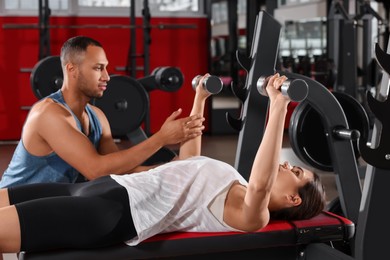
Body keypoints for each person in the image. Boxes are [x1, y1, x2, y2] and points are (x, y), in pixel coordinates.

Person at [0, 73, 326, 257]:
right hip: (90, 189)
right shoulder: (232, 180)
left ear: (293, 200)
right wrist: (200, 97)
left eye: (295, 172)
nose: (287, 167)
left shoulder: (253, 215)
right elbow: (190, 160)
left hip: (111, 213)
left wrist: (280, 105)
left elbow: (261, 182)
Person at [0, 36, 204, 188]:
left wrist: (167, 168)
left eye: (106, 68)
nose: (107, 76)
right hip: (14, 209)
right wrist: (161, 138)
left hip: (52, 208)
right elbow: (96, 170)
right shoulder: (48, 114)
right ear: (72, 70)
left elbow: (117, 170)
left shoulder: (98, 116)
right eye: (98, 68)